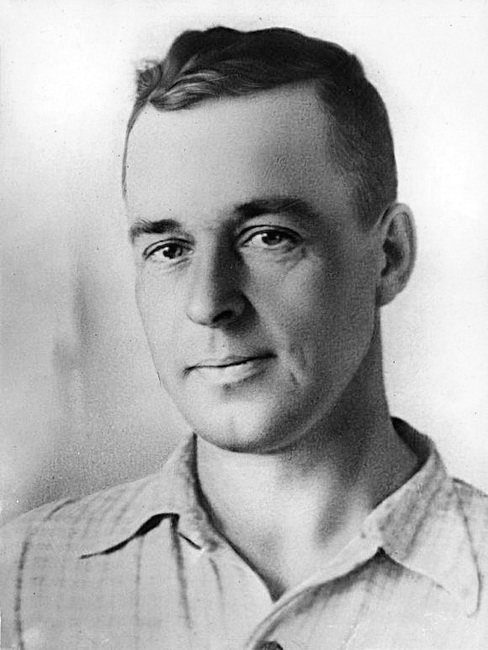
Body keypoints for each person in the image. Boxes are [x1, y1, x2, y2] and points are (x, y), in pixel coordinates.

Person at [1, 25, 487, 650]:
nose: (208, 304)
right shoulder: (19, 582)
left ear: (389, 256)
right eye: (169, 248)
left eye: (268, 237)